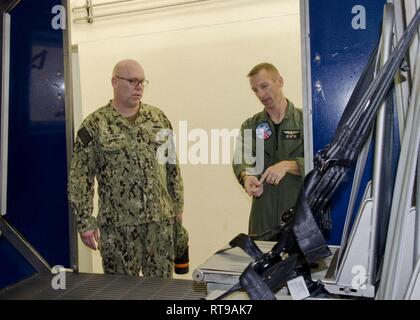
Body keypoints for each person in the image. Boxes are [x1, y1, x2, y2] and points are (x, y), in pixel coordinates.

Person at [68, 59, 186, 278]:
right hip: (118, 229)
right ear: (114, 82)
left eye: (142, 82)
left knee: (160, 291)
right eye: (132, 81)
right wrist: (85, 222)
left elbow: (172, 168)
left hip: (158, 226)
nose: (139, 86)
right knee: (121, 291)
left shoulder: (158, 119)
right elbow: (80, 178)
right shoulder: (95, 125)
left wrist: (177, 210)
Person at [233, 63, 305, 240]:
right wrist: (247, 176)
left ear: (280, 81)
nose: (261, 94)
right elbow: (242, 158)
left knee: (299, 265)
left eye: (264, 86)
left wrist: (290, 165)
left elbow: (320, 160)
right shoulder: (251, 125)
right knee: (262, 265)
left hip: (299, 215)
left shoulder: (306, 121)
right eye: (255, 90)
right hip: (263, 218)